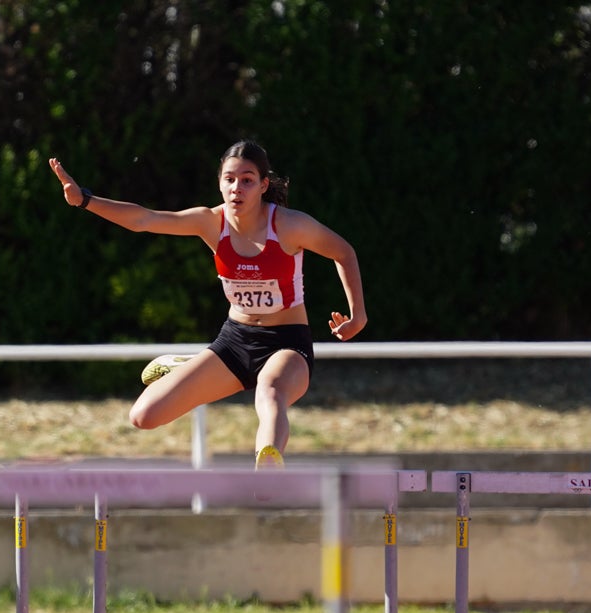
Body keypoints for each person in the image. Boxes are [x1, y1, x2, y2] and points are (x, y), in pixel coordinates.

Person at [48, 140, 366, 468]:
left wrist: (358, 316)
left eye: (247, 180)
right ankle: (188, 367)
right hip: (234, 342)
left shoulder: (289, 225)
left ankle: (268, 466)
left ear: (263, 185)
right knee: (143, 416)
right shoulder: (210, 222)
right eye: (229, 179)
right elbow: (144, 219)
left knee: (270, 391)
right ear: (219, 183)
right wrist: (85, 199)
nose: (236, 189)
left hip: (286, 343)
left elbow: (343, 252)